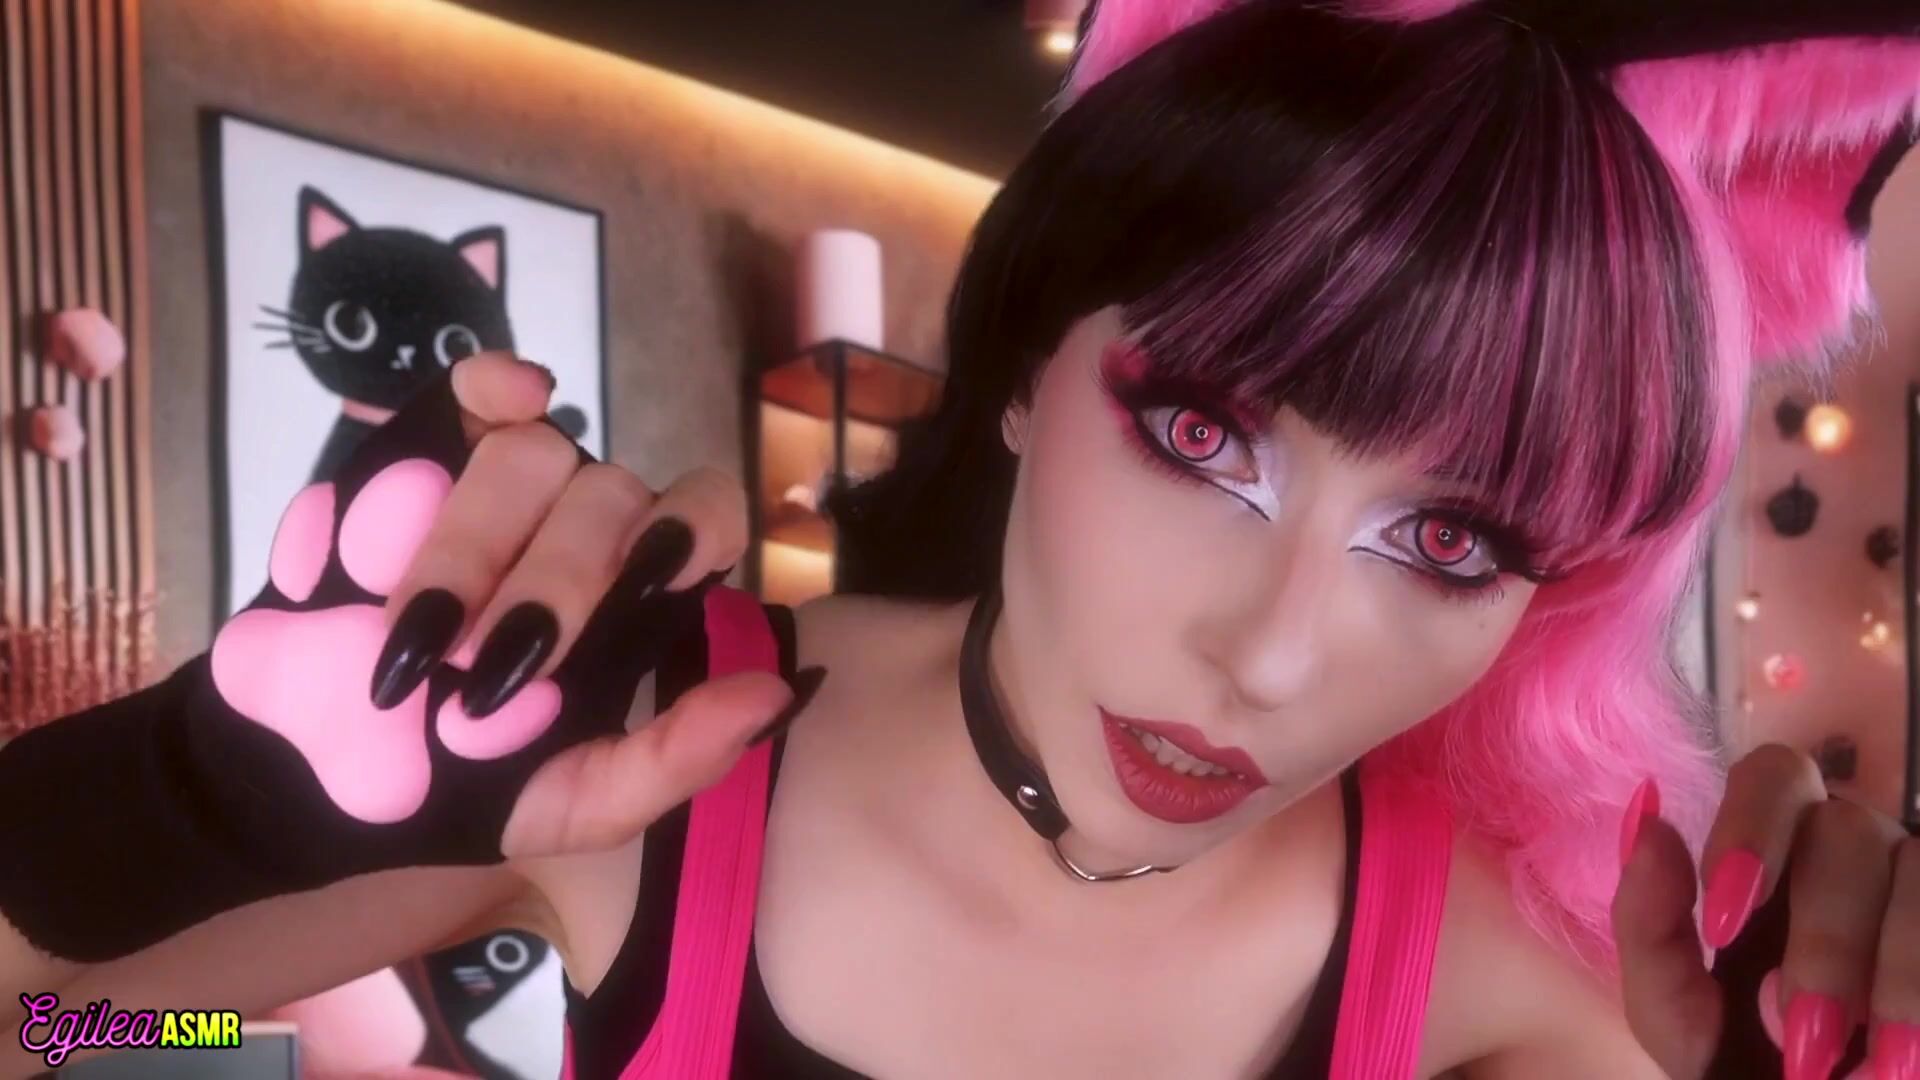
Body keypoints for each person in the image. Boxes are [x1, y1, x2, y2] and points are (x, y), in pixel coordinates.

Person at [5, 2, 1920, 1078]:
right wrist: (195, 798)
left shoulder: (1520, 991)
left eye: (1453, 542)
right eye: (1203, 436)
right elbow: (63, 1021)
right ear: (1021, 371)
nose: (1271, 657)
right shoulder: (641, 767)